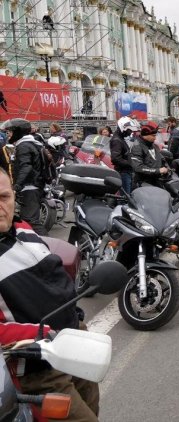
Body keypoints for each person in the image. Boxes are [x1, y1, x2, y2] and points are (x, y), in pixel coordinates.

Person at [0, 167, 99, 421]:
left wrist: (75, 316)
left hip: (73, 340)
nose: (1, 207)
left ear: (14, 196)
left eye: (4, 197)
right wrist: (40, 333)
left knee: (93, 410)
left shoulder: (23, 229)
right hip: (38, 364)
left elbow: (53, 273)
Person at [0, 119, 46, 234]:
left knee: (31, 221)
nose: (8, 134)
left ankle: (48, 247)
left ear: (18, 132)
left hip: (29, 187)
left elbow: (26, 167)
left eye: (10, 131)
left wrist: (17, 186)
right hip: (33, 186)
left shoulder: (24, 146)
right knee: (28, 219)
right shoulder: (31, 143)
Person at [130, 121, 168, 188]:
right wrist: (158, 171)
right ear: (145, 135)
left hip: (156, 180)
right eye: (153, 136)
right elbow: (138, 167)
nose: (155, 138)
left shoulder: (154, 145)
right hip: (143, 182)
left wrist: (167, 168)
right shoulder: (137, 147)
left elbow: (162, 159)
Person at [110, 117, 140, 194]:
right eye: (129, 130)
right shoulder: (117, 140)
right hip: (123, 172)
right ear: (123, 128)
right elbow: (115, 158)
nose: (130, 133)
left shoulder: (120, 138)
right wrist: (131, 164)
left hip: (125, 172)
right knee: (125, 197)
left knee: (127, 195)